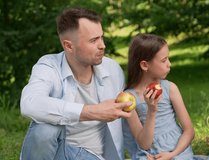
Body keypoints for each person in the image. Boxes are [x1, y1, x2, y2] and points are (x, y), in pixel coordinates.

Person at [20, 8, 133, 160]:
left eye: (102, 37)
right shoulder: (49, 66)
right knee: (44, 130)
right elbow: (30, 103)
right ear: (69, 46)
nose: (102, 45)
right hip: (56, 152)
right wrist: (91, 112)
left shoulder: (112, 69)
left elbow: (129, 122)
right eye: (93, 40)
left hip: (94, 155)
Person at [122, 33, 195, 160]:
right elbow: (144, 144)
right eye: (163, 60)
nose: (169, 64)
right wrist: (152, 110)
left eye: (168, 58)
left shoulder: (170, 88)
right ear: (145, 65)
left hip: (177, 152)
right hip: (149, 154)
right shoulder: (129, 99)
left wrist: (172, 154)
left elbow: (189, 131)